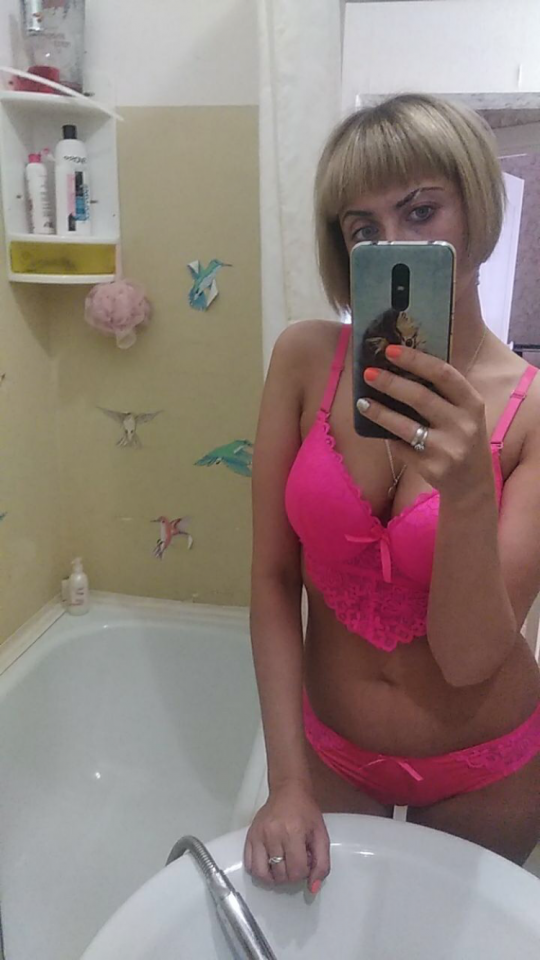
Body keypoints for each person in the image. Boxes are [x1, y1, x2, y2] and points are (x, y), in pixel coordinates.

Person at [244, 94, 540, 894]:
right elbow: (271, 577)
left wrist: (469, 494)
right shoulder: (303, 361)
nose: (395, 246)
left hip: (488, 769)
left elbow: (471, 656)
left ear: (475, 208)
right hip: (330, 753)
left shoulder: (531, 412)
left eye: (420, 210)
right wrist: (285, 780)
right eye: (363, 229)